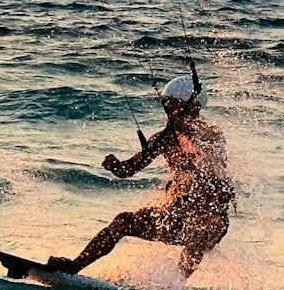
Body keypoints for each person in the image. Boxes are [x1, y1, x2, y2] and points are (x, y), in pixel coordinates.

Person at [45, 72, 233, 278]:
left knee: (205, 227)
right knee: (123, 221)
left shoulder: (212, 136)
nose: (167, 109)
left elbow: (214, 166)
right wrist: (115, 166)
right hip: (176, 217)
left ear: (193, 107)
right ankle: (74, 267)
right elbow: (129, 170)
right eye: (166, 104)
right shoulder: (164, 138)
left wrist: (185, 128)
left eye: (173, 104)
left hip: (209, 218)